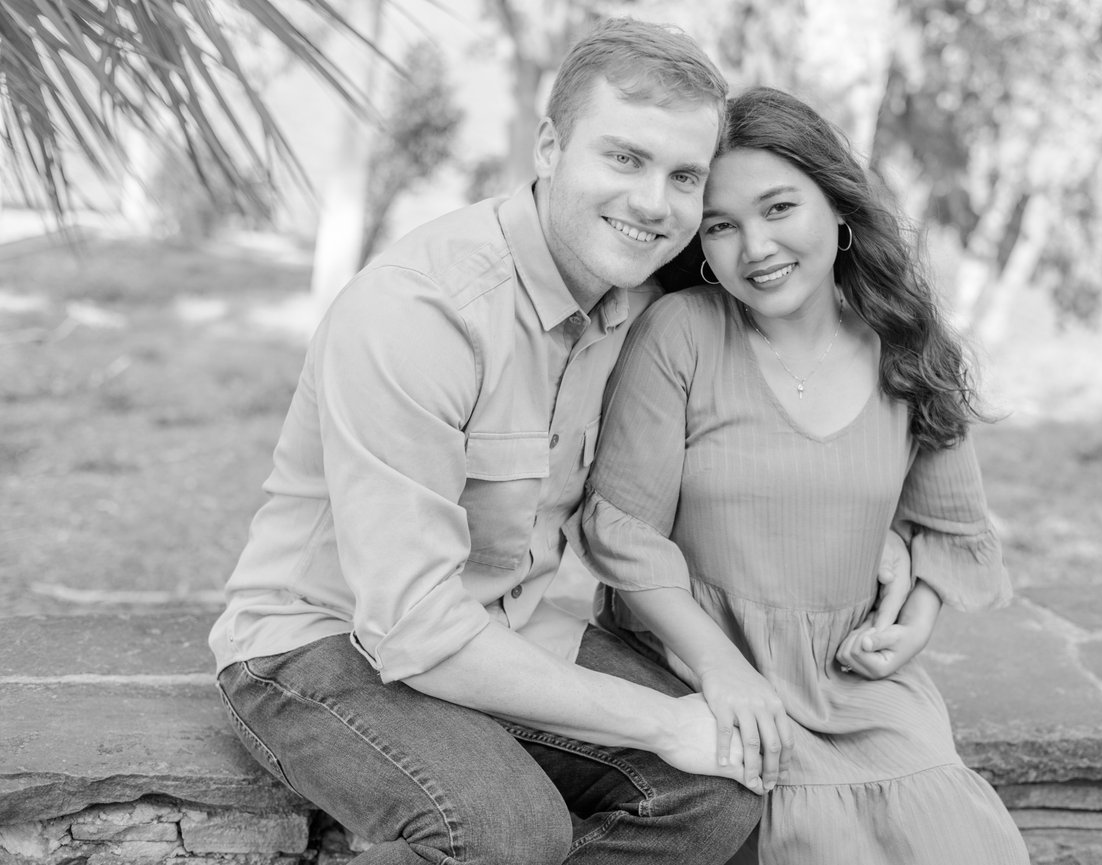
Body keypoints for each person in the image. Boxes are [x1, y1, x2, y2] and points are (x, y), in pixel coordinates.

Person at [208, 20, 769, 865]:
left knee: (721, 790)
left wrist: (901, 538)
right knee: (505, 831)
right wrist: (667, 718)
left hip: (509, 623)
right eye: (623, 157)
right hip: (324, 644)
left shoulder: (639, 303)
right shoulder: (421, 312)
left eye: (682, 175)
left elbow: (808, 344)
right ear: (548, 145)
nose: (654, 203)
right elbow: (414, 627)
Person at [577, 87, 1031, 864]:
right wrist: (719, 668)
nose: (754, 247)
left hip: (855, 689)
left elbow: (948, 530)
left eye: (778, 208)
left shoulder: (907, 348)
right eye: (721, 226)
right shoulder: (681, 333)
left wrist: (908, 629)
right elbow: (623, 534)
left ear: (837, 204)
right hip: (696, 664)